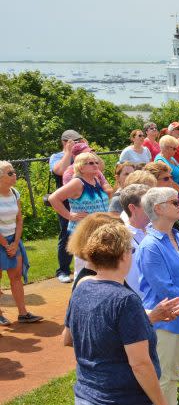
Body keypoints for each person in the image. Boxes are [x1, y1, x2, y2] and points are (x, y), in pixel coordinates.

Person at [63, 222, 168, 405]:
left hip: (85, 395)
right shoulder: (125, 300)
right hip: (122, 398)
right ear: (123, 254)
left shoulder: (81, 287)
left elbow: (68, 339)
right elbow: (140, 365)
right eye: (131, 251)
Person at [136, 187, 179, 404]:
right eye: (175, 203)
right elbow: (164, 288)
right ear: (158, 208)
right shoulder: (150, 246)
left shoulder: (178, 236)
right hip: (164, 322)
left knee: (174, 373)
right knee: (163, 377)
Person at [48, 152, 111, 270]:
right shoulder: (77, 182)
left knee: (97, 268)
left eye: (96, 162)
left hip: (98, 230)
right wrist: (69, 215)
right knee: (84, 269)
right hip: (84, 232)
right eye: (91, 163)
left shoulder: (96, 180)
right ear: (81, 167)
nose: (96, 165)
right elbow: (53, 198)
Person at [0, 161, 41, 325]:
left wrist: (15, 243)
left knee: (16, 277)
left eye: (14, 172)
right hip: (2, 241)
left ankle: (23, 314)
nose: (14, 175)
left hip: (13, 240)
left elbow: (19, 219)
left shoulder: (15, 193)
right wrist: (5, 244)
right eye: (10, 173)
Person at [49, 129, 84, 283]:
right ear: (65, 142)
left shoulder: (81, 156)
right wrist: (68, 152)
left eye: (79, 140)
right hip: (65, 203)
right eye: (74, 141)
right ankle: (63, 270)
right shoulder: (56, 157)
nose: (77, 143)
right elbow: (60, 170)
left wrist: (85, 150)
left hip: (83, 201)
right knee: (67, 234)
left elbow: (98, 168)